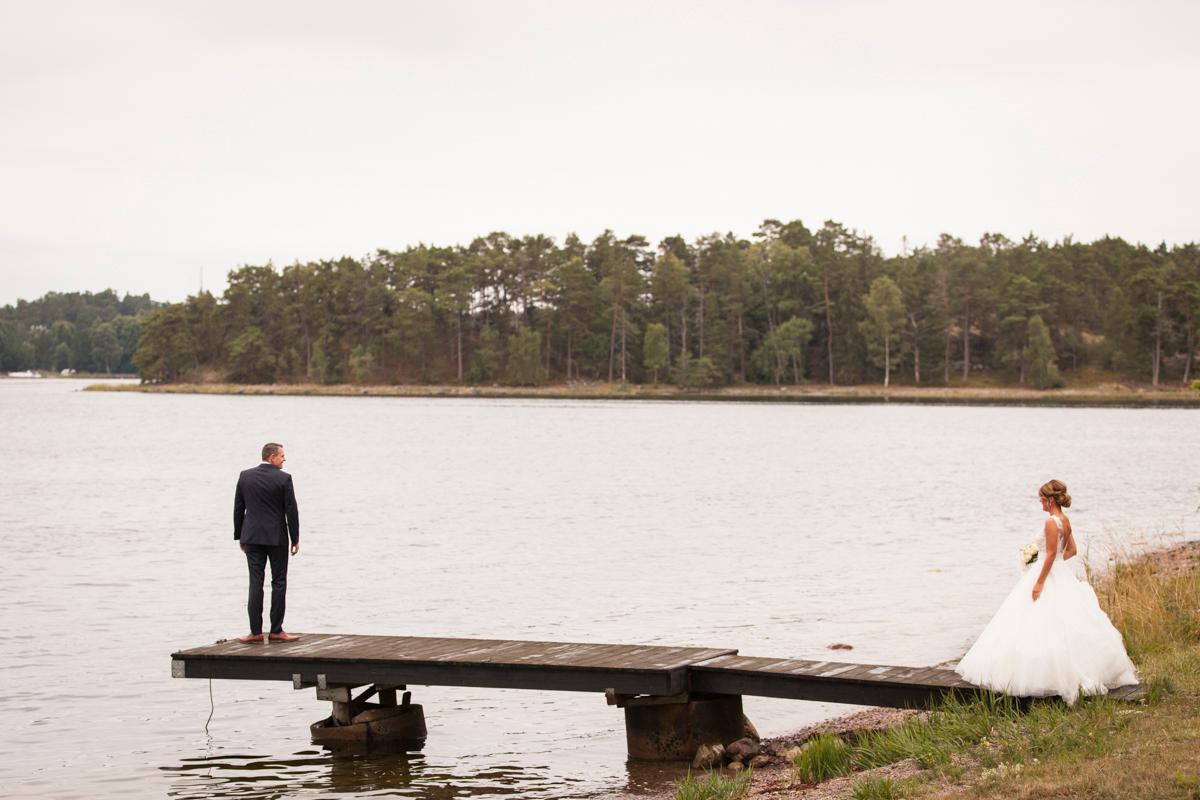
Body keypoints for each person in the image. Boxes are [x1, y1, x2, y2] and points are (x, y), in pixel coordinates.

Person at [954, 479, 1138, 705]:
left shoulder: (1051, 522)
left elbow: (1050, 554)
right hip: (1060, 572)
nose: (1040, 503)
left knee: (1037, 623)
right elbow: (1071, 550)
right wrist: (1052, 562)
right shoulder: (1065, 521)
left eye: (1042, 499)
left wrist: (1039, 580)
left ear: (1050, 499)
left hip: (1047, 573)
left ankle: (1043, 678)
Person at [233, 442, 301, 644]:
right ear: (271, 457)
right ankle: (276, 630)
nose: (284, 459)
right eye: (282, 456)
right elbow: (291, 510)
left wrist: (240, 536)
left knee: (255, 582)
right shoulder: (284, 478)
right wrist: (295, 538)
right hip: (276, 538)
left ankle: (255, 632)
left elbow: (238, 507)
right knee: (278, 582)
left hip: (252, 537)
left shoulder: (245, 476)